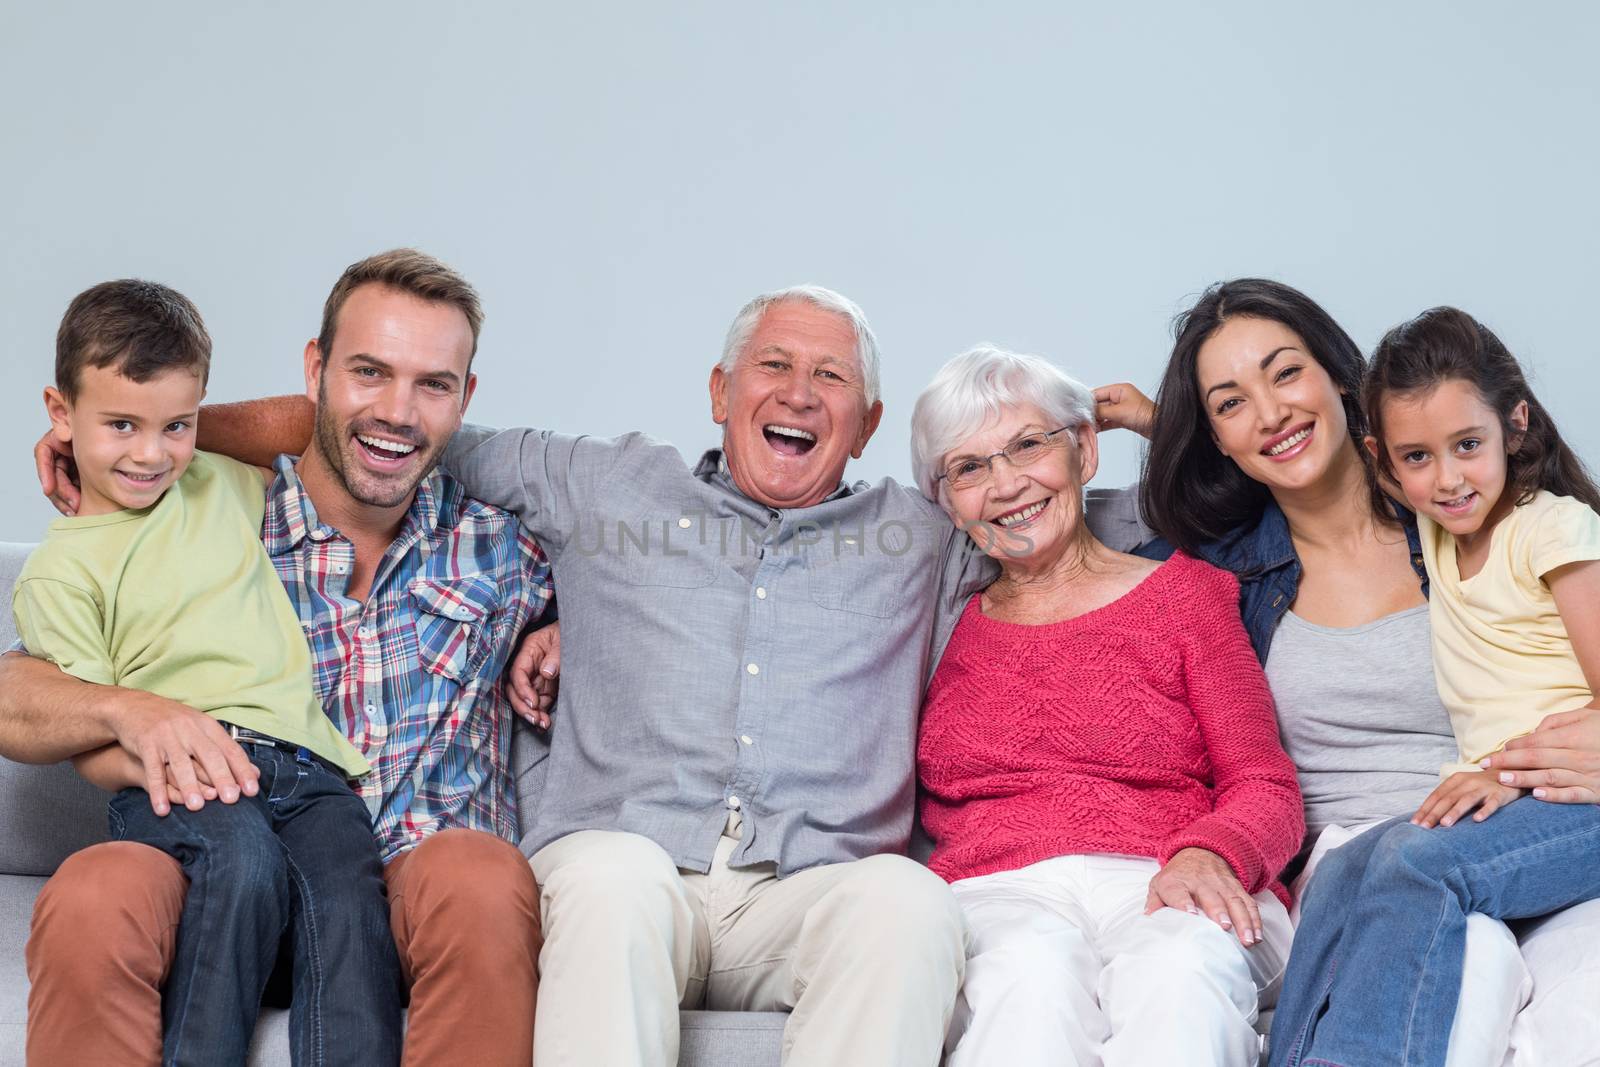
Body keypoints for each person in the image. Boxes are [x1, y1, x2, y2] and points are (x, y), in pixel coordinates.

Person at [195, 284, 1153, 1067]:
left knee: (907, 901)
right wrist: (149, 438)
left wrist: (1157, 423)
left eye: (831, 378)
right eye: (773, 366)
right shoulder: (606, 486)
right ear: (718, 390)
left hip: (809, 887)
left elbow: (1094, 524)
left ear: (865, 425)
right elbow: (388, 427)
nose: (799, 393)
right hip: (623, 860)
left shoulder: (925, 535)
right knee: (616, 880)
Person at [7, 249, 551, 1067]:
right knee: (95, 889)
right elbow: (24, 683)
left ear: (465, 398)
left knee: (480, 876)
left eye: (432, 384)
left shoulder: (504, 548)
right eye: (368, 371)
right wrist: (136, 429)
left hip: (403, 887)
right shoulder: (213, 509)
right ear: (316, 370)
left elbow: (649, 603)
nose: (397, 411)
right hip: (211, 863)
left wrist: (560, 629)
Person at [1102, 277, 1600, 1067]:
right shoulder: (1222, 570)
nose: (1268, 411)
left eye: (1284, 372)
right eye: (1230, 402)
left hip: (1521, 819)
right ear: (1215, 436)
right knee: (1449, 946)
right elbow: (1073, 554)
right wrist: (1105, 431)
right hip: (1360, 856)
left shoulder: (1456, 509)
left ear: (1340, 375)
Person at [11, 279, 400, 1066]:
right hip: (186, 773)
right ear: (61, 412)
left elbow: (312, 420)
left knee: (352, 900)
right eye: (121, 424)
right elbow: (91, 733)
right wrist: (172, 768)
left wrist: (193, 423)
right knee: (240, 863)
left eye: (173, 425)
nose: (151, 453)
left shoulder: (217, 479)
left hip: (311, 768)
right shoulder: (60, 573)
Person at [910, 345, 1302, 1066]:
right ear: (945, 501)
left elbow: (1265, 782)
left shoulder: (1187, 593)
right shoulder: (935, 618)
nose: (1006, 484)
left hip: (1167, 869)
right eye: (969, 467)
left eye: (1028, 445)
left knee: (1177, 969)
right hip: (997, 891)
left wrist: (1211, 852)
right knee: (1027, 976)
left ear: (1084, 449)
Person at [1263, 306, 1600, 1067]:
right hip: (1516, 797)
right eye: (1418, 457)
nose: (1447, 478)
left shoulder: (1552, 530)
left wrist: (1505, 773)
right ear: (1382, 460)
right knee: (1346, 869)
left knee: (1417, 863)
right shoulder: (1440, 527)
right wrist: (1162, 420)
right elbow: (1283, 461)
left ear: (1515, 425)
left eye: (1468, 446)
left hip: (1581, 800)